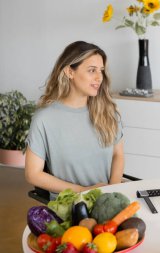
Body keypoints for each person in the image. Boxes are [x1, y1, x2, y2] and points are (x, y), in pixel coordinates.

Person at [25, 41, 124, 198]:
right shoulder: (44, 119)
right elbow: (33, 174)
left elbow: (117, 154)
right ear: (69, 72)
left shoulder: (107, 111)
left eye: (101, 71)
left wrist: (112, 191)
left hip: (107, 202)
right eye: (92, 70)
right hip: (69, 207)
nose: (99, 77)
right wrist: (83, 192)